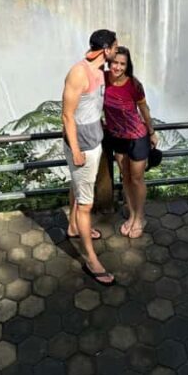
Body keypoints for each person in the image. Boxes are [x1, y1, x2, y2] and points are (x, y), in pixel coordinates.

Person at [62, 29, 118, 285]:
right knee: (86, 204)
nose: (116, 51)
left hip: (94, 140)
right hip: (82, 146)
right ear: (106, 50)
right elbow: (67, 116)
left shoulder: (99, 71)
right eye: (115, 48)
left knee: (79, 186)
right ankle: (91, 260)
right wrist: (75, 150)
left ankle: (74, 227)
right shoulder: (79, 73)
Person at [104, 46, 157, 239]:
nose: (117, 67)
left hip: (137, 137)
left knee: (136, 178)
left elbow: (144, 110)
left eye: (122, 64)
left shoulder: (134, 85)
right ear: (109, 62)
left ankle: (140, 217)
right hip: (117, 138)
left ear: (127, 66)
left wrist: (151, 132)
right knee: (125, 177)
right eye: (115, 62)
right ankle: (132, 214)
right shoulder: (103, 80)